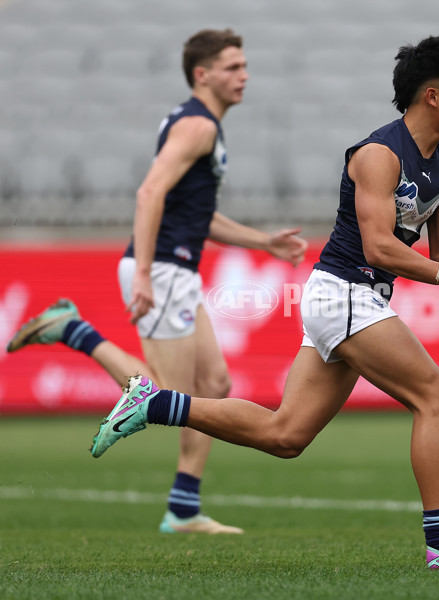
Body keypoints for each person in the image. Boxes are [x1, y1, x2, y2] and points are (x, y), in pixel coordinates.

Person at [88, 33, 439, 569]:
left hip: (351, 298)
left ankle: (152, 403)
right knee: (437, 398)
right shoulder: (378, 155)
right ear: (432, 96)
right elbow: (378, 246)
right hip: (343, 292)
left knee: (285, 435)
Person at [7, 28, 307, 535]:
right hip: (163, 268)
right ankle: (71, 329)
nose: (244, 75)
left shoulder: (199, 124)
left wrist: (264, 243)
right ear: (202, 74)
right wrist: (145, 271)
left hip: (175, 267)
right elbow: (149, 193)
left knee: (212, 385)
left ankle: (183, 508)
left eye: (244, 65)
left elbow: (196, 215)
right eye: (233, 67)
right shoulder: (198, 127)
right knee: (167, 396)